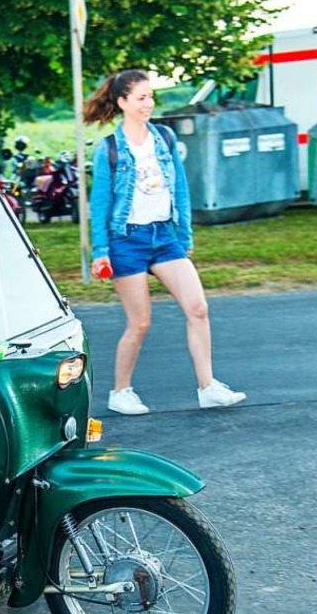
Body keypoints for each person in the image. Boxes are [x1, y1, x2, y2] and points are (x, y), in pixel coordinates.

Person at [84, 69, 246, 414]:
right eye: (141, 98)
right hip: (126, 240)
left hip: (163, 236)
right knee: (140, 322)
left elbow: (181, 190)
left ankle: (208, 387)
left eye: (151, 97)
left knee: (198, 308)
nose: (149, 104)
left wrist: (184, 236)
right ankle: (120, 392)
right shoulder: (109, 149)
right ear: (122, 102)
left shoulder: (165, 139)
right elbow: (99, 204)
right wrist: (100, 252)